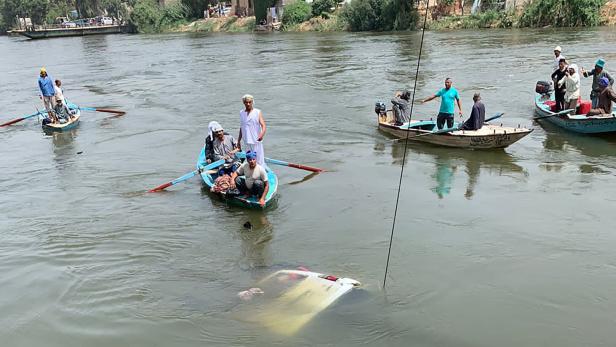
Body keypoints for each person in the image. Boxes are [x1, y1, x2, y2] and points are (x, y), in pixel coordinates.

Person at [238, 94, 267, 168]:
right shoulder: (241, 113)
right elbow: (242, 127)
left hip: (256, 140)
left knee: (259, 160)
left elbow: (263, 125)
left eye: (249, 102)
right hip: (246, 141)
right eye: (246, 102)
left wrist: (261, 135)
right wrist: (238, 141)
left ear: (252, 102)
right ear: (244, 103)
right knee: (249, 159)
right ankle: (250, 173)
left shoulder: (257, 112)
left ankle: (261, 173)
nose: (248, 104)